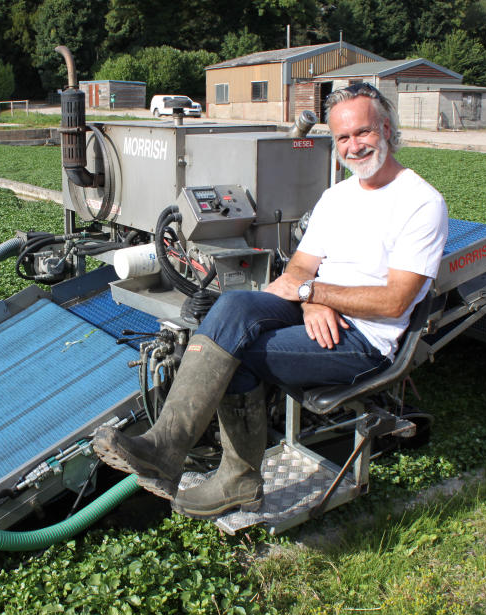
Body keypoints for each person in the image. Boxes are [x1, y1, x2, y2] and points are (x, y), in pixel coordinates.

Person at [93, 82, 449, 518]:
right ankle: (166, 445)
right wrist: (314, 299)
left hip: (363, 339)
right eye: (342, 138)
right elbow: (300, 269)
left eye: (364, 133)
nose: (354, 147)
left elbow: (395, 301)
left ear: (388, 130)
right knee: (233, 305)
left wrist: (314, 293)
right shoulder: (338, 197)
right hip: (318, 309)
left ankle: (237, 479)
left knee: (235, 354)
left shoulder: (420, 203)